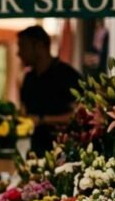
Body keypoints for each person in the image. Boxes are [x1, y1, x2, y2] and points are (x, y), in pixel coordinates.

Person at [17, 25, 82, 155]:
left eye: (23, 46)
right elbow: (26, 111)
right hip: (37, 151)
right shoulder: (29, 78)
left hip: (65, 153)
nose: (18, 53)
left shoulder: (67, 75)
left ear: (39, 46)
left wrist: (43, 120)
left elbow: (81, 114)